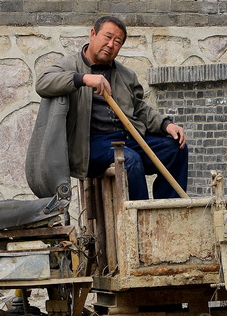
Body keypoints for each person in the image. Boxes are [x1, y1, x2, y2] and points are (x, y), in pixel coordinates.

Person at [35, 16, 188, 199]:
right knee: (129, 159)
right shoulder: (70, 65)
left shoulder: (126, 75)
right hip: (90, 146)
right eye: (107, 37)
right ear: (93, 34)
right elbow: (43, 83)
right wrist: (83, 79)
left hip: (127, 139)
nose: (110, 44)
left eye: (117, 42)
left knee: (175, 147)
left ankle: (166, 214)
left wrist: (166, 125)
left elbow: (139, 109)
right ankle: (138, 219)